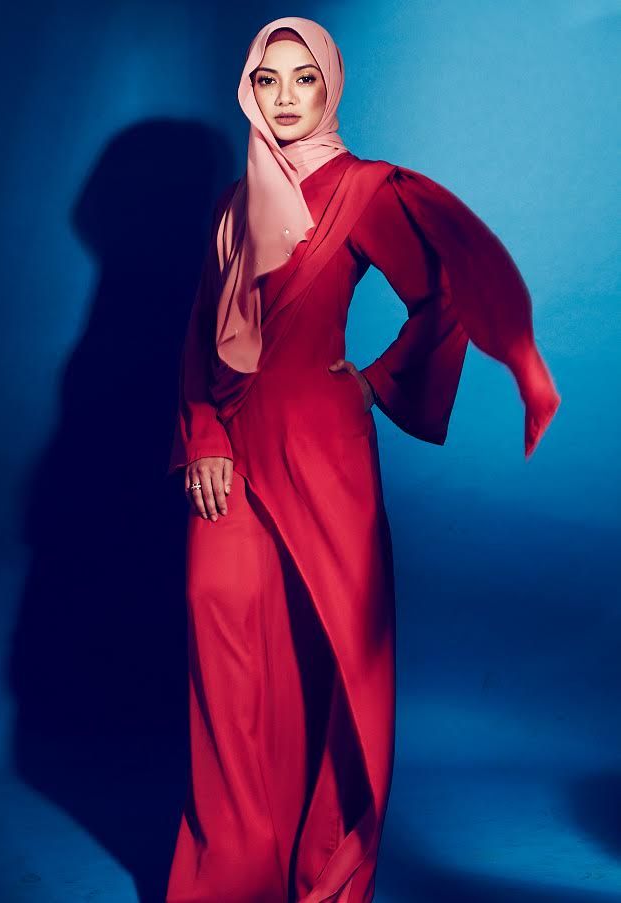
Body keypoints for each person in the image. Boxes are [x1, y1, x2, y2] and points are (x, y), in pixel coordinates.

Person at [165, 16, 561, 903]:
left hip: (322, 452)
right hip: (231, 447)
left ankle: (326, 864)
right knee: (220, 625)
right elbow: (199, 335)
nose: (285, 98)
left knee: (338, 655)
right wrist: (204, 436)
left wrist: (378, 381)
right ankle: (234, 871)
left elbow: (445, 289)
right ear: (248, 92)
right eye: (267, 81)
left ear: (331, 87)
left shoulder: (363, 189)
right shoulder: (234, 203)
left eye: (303, 78)